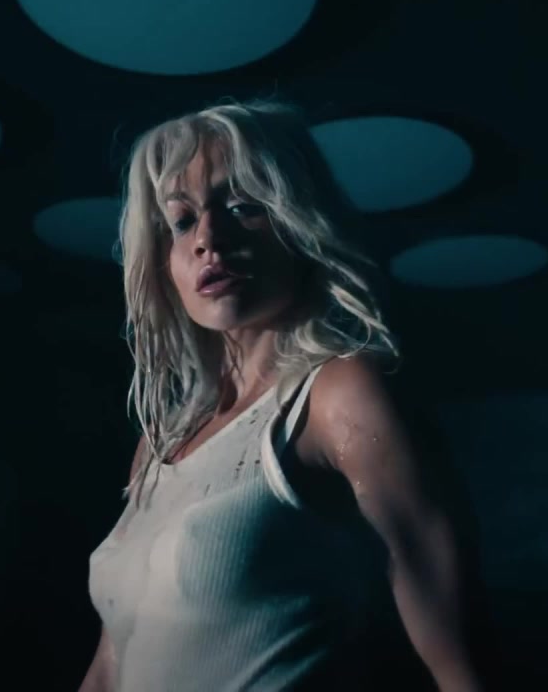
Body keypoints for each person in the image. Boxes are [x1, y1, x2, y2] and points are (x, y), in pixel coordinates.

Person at [78, 99, 484, 691]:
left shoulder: (338, 394)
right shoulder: (158, 444)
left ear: (298, 220)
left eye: (243, 206)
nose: (208, 239)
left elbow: (460, 659)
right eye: (182, 221)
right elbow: (113, 662)